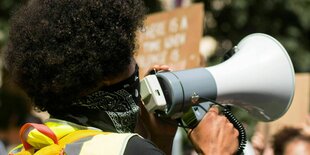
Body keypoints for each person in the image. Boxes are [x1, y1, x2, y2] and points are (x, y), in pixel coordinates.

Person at [4, 0, 239, 154]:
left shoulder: (25, 149)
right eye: (127, 55)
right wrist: (216, 150)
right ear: (104, 72)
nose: (136, 65)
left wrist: (159, 141)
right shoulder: (126, 149)